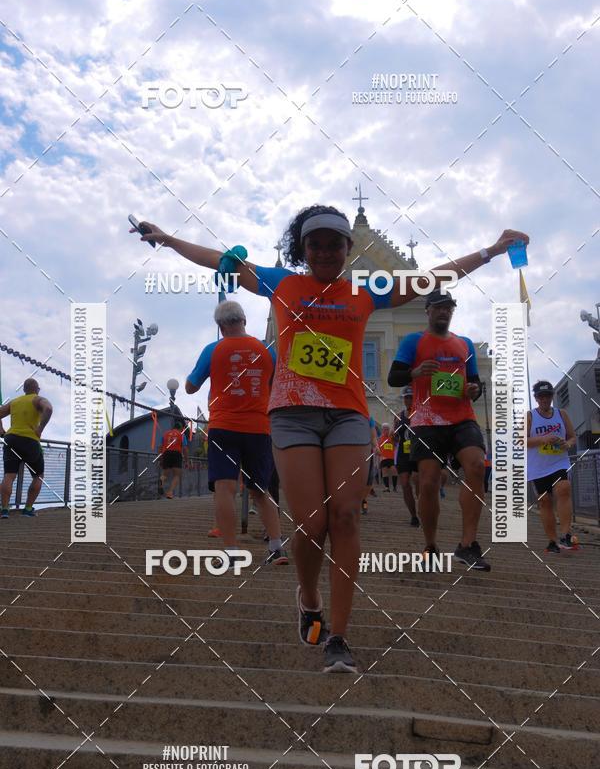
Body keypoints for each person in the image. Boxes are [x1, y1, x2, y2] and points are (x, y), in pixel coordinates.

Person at [134, 208, 527, 670]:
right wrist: (167, 239)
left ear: (347, 249)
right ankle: (307, 595)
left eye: (334, 244)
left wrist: (493, 250)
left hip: (346, 416)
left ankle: (338, 636)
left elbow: (434, 276)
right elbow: (219, 260)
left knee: (344, 517)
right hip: (293, 416)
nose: (324, 251)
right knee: (311, 525)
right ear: (302, 249)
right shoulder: (283, 283)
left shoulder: (365, 292)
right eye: (315, 243)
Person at [388, 289, 493, 571]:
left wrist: (474, 389)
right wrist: (415, 371)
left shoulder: (465, 344)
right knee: (429, 482)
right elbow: (394, 377)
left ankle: (468, 545)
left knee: (476, 466)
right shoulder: (414, 341)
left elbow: (474, 385)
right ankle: (430, 544)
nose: (444, 312)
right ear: (428, 311)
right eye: (438, 307)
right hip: (427, 419)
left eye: (449, 308)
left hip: (462, 417)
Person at [185, 300, 288, 568]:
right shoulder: (267, 351)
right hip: (258, 427)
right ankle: (276, 548)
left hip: (223, 426)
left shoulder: (213, 349)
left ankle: (231, 553)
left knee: (225, 488)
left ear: (220, 327)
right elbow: (278, 384)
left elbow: (190, 388)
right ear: (244, 320)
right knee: (260, 490)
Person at [527, 380, 577, 552]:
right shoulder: (530, 416)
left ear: (551, 397)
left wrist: (568, 444)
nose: (544, 399)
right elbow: (521, 441)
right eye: (541, 396)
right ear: (536, 398)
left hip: (559, 462)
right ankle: (552, 540)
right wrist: (542, 439)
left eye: (547, 395)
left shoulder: (561, 414)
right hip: (538, 467)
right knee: (545, 502)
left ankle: (565, 535)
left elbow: (572, 436)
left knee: (564, 488)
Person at [0, 378, 53, 518]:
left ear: (24, 390)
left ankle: (4, 510)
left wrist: (1, 429)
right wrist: (40, 428)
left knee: (9, 475)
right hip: (30, 440)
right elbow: (48, 408)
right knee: (38, 476)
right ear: (37, 389)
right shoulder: (37, 399)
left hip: (11, 439)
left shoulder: (14, 402)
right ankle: (28, 509)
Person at [394, 386, 420, 527]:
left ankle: (423, 505)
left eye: (411, 397)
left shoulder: (421, 413)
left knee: (418, 481)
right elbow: (396, 436)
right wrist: (393, 436)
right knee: (404, 484)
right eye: (406, 397)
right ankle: (413, 515)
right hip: (404, 452)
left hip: (418, 452)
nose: (408, 400)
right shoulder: (398, 415)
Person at [158, 418, 189, 498]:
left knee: (165, 474)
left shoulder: (165, 434)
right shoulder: (181, 435)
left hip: (166, 454)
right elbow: (185, 449)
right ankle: (170, 492)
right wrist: (186, 461)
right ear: (181, 428)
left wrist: (160, 459)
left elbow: (160, 447)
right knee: (177, 475)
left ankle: (161, 482)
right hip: (176, 453)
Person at [361, 416, 380, 514]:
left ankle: (363, 502)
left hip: (367, 451)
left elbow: (373, 436)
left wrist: (376, 446)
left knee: (368, 481)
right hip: (353, 452)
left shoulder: (369, 418)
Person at [378, 423, 398, 492]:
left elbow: (396, 442)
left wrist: (393, 433)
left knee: (394, 471)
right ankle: (387, 487)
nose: (385, 430)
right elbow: (378, 447)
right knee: (384, 472)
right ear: (382, 430)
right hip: (383, 458)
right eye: (384, 429)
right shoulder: (380, 438)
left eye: (387, 429)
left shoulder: (392, 437)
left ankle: (394, 487)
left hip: (392, 458)